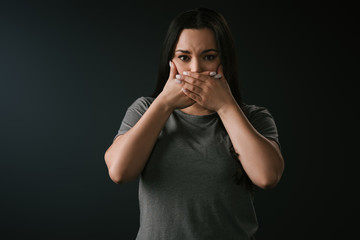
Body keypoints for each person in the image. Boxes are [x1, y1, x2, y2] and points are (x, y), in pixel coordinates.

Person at [104, 7, 284, 240]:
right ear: (171, 61)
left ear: (224, 60)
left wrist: (225, 107)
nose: (196, 69)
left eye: (209, 57)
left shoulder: (254, 117)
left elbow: (267, 176)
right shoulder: (144, 110)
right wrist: (163, 104)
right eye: (184, 57)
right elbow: (119, 172)